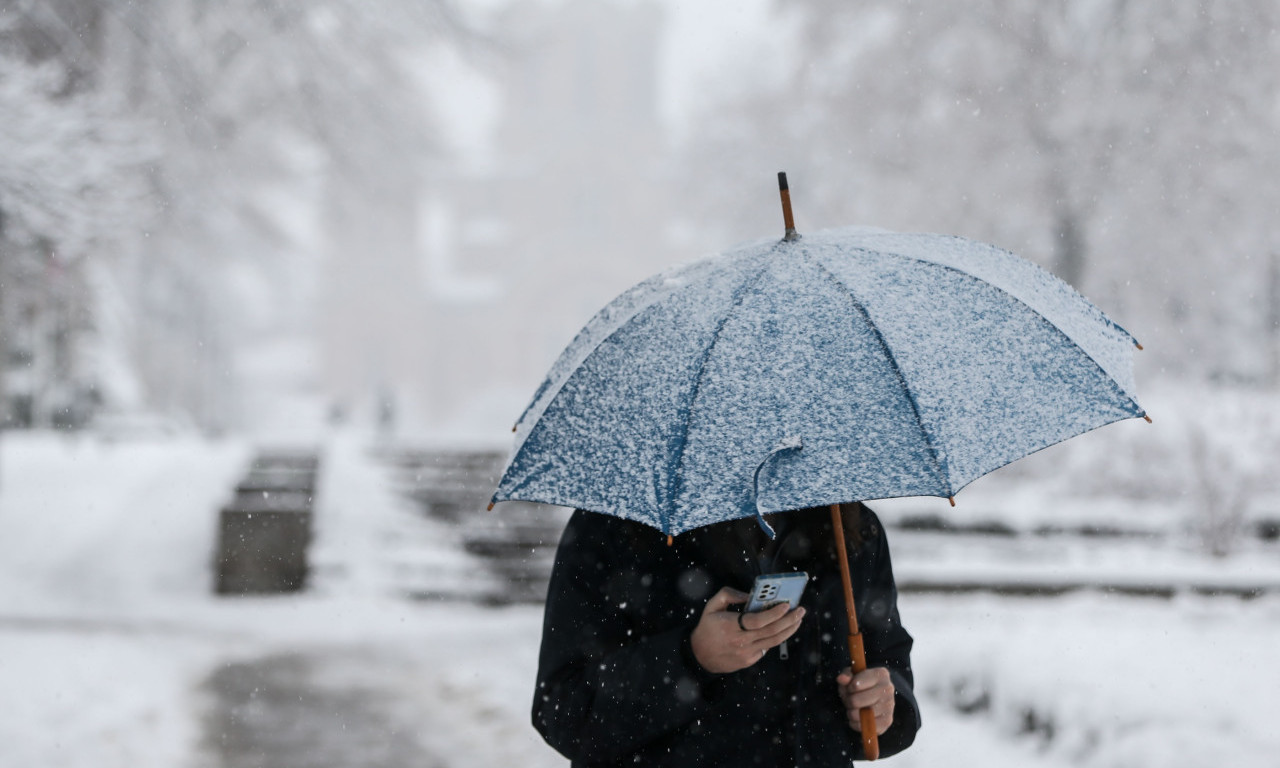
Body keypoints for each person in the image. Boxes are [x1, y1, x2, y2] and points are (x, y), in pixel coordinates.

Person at [532, 501, 920, 766]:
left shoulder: (848, 525)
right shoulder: (614, 524)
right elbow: (563, 711)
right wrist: (690, 658)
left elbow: (887, 660)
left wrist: (886, 705)